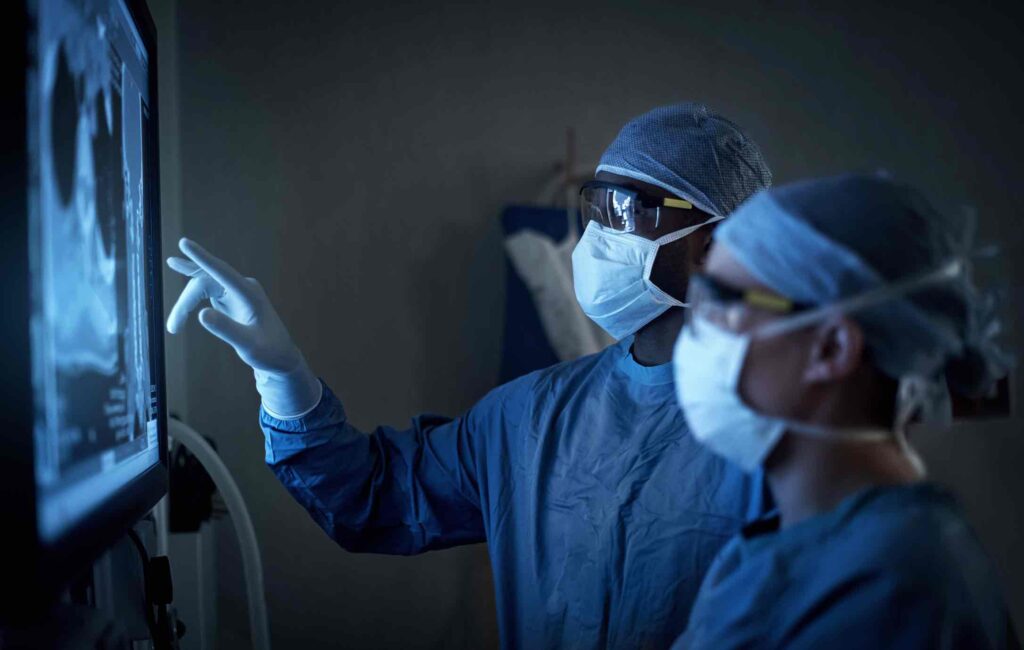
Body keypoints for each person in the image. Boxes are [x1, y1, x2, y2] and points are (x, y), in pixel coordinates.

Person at [165, 103, 773, 648]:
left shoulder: (786, 435)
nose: (598, 238)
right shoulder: (534, 416)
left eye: (626, 212)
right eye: (595, 207)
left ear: (713, 245)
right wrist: (285, 380)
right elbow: (374, 497)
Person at [670, 173, 1018, 648]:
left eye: (724, 306)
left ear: (832, 348)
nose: (697, 334)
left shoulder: (891, 588)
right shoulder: (793, 544)